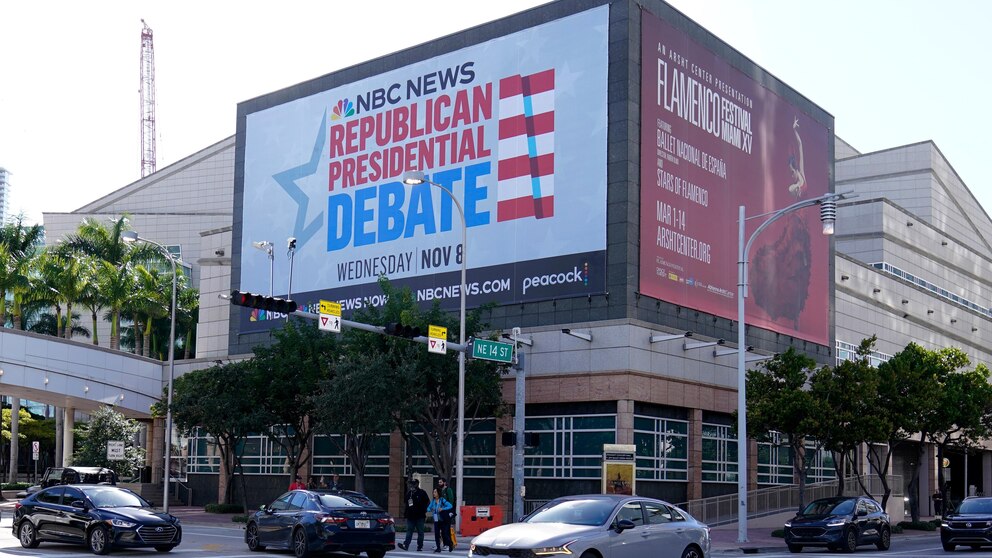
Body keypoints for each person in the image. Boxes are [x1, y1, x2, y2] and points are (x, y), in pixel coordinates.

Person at [398, 478, 430, 552]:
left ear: (417, 484)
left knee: (420, 532)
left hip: (420, 517)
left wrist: (424, 510)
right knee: (409, 531)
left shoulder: (422, 492)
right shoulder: (409, 493)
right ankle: (406, 545)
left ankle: (420, 546)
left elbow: (428, 502)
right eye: (411, 484)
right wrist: (404, 515)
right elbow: (406, 504)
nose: (411, 485)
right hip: (411, 516)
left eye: (413, 484)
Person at [427, 487, 454, 553]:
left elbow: (450, 506)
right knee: (436, 534)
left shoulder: (442, 500)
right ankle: (438, 547)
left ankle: (450, 544)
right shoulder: (433, 501)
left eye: (435, 492)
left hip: (443, 520)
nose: (434, 493)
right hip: (436, 520)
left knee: (444, 534)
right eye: (433, 492)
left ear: (438, 493)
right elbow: (428, 508)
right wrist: (430, 509)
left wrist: (442, 509)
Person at [437, 479, 456, 547]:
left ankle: (448, 544)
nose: (439, 483)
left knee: (446, 529)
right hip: (440, 512)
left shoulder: (448, 490)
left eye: (441, 482)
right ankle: (441, 543)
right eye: (439, 482)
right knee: (440, 529)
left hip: (446, 512)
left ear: (444, 483)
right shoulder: (439, 491)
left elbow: (451, 501)